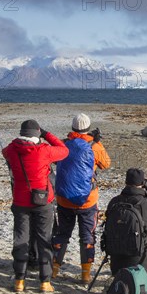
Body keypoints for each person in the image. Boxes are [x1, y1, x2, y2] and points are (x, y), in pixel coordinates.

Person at [2, 120, 68, 293]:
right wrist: (46, 134)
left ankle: (19, 279)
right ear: (36, 135)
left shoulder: (12, 150)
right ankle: (44, 281)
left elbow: (5, 151)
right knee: (44, 239)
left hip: (20, 201)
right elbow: (64, 150)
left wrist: (18, 141)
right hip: (42, 200)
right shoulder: (43, 150)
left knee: (21, 239)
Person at [52, 113, 111, 283]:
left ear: (72, 127)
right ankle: (85, 274)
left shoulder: (63, 144)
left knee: (62, 234)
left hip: (64, 199)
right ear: (88, 127)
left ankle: (54, 269)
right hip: (88, 200)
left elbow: (56, 161)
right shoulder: (93, 146)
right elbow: (106, 164)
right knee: (87, 236)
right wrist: (98, 142)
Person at [106, 168, 147, 276]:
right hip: (141, 261)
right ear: (142, 183)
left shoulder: (114, 202)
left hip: (117, 262)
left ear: (126, 182)